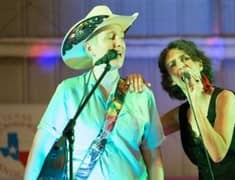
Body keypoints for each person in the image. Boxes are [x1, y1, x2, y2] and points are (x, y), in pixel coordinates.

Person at [24, 5, 165, 180]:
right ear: (90, 48)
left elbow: (154, 158)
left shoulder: (142, 95)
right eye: (110, 37)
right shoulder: (69, 91)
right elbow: (40, 150)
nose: (119, 43)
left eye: (122, 37)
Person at [128, 39, 235, 180]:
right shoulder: (181, 114)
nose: (181, 65)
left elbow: (218, 153)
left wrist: (195, 100)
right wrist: (133, 88)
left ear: (200, 65)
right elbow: (143, 134)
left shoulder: (225, 99)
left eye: (185, 59)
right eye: (173, 64)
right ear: (171, 80)